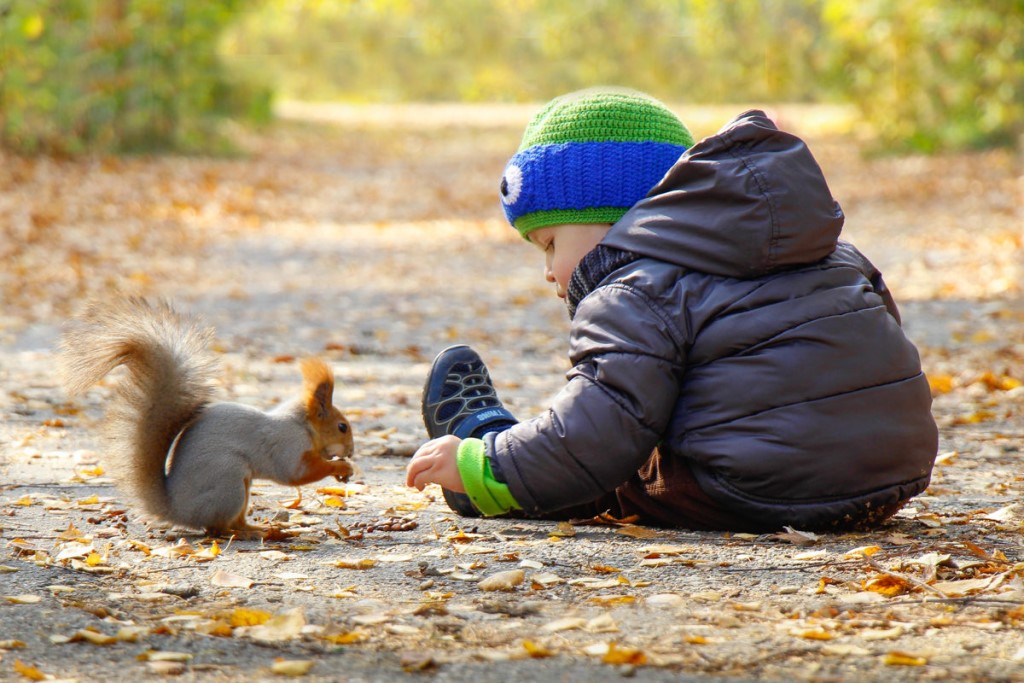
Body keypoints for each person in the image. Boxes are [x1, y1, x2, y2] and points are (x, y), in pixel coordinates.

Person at [406, 87, 938, 532]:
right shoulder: (833, 251)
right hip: (890, 476)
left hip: (753, 489)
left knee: (608, 472)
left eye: (549, 243)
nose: (548, 270)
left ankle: (481, 461)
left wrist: (488, 464)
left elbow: (598, 433)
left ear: (614, 223)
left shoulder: (631, 290)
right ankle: (510, 452)